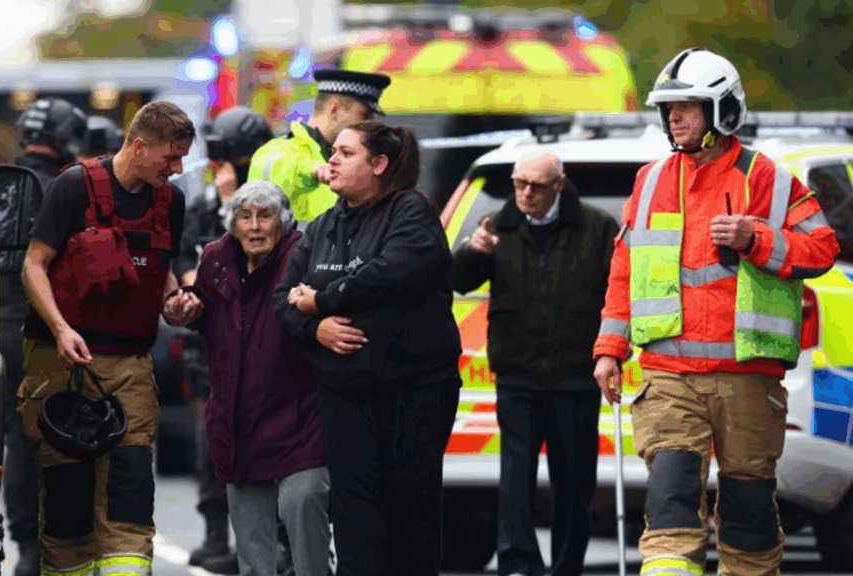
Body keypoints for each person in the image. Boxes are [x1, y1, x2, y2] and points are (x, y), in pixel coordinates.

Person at [592, 47, 840, 576]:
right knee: (670, 501)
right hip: (669, 374)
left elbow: (822, 248)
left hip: (746, 376)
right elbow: (624, 271)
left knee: (749, 516)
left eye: (687, 107)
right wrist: (610, 348)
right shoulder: (650, 180)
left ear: (722, 110)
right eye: (669, 108)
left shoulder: (768, 178)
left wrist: (756, 238)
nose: (674, 118)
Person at [16, 100, 198, 576]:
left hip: (130, 363)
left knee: (130, 490)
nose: (177, 170)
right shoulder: (73, 186)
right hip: (62, 363)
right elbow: (34, 264)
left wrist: (175, 303)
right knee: (68, 499)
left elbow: (161, 269)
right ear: (138, 146)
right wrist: (60, 329)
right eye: (170, 158)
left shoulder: (171, 202)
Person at [274, 121, 461, 576]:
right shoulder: (323, 225)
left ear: (378, 164)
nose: (332, 160)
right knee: (355, 515)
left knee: (410, 511)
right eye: (333, 151)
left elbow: (391, 271)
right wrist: (314, 328)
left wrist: (324, 300)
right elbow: (283, 299)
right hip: (345, 392)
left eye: (346, 152)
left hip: (413, 388)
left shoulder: (410, 211)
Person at [450, 147, 619, 576]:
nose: (525, 193)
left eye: (537, 186)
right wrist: (472, 252)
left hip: (575, 375)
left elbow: (619, 293)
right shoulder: (496, 226)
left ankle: (566, 566)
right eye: (519, 184)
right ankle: (518, 564)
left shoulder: (597, 227)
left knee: (574, 481)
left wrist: (612, 350)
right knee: (515, 476)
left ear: (559, 185)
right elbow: (457, 281)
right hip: (517, 373)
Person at [167, 180, 331, 576]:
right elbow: (202, 311)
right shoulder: (216, 259)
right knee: (253, 552)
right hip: (238, 420)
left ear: (283, 221)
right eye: (245, 217)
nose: (255, 227)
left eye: (265, 216)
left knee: (302, 503)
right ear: (233, 224)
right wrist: (183, 310)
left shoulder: (304, 256)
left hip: (301, 418)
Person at [174, 107, 275, 570]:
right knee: (211, 440)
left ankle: (265, 544)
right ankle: (217, 534)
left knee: (264, 443)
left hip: (262, 344)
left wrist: (235, 206)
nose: (220, 168)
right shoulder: (202, 207)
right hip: (210, 347)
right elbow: (187, 263)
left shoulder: (270, 210)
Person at [0, 96, 89, 576]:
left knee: (10, 441)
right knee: (48, 440)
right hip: (44, 332)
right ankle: (52, 545)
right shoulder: (65, 188)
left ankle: (21, 545)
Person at [249, 69, 391, 224]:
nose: (370, 124)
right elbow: (278, 168)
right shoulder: (279, 150)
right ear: (334, 109)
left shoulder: (353, 159)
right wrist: (313, 170)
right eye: (364, 115)